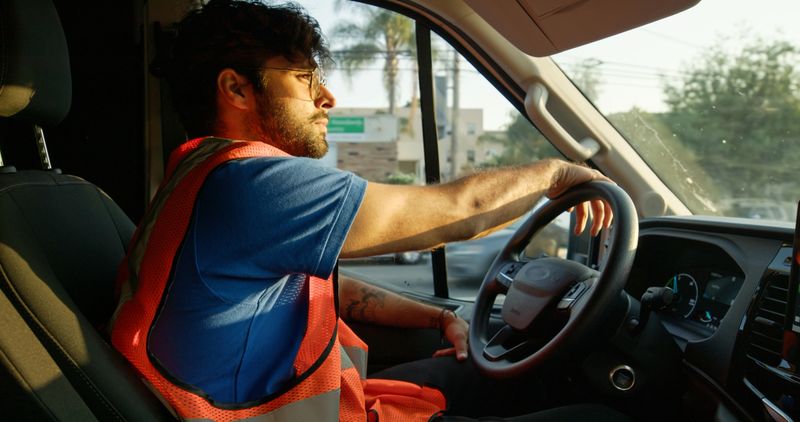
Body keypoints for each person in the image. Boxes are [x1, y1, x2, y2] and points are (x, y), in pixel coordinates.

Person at [108, 1, 618, 421]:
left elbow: (331, 290)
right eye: (305, 78)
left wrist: (440, 317)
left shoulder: (199, 176)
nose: (326, 97)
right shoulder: (252, 182)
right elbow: (454, 212)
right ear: (237, 88)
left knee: (505, 375)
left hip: (326, 405)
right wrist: (556, 176)